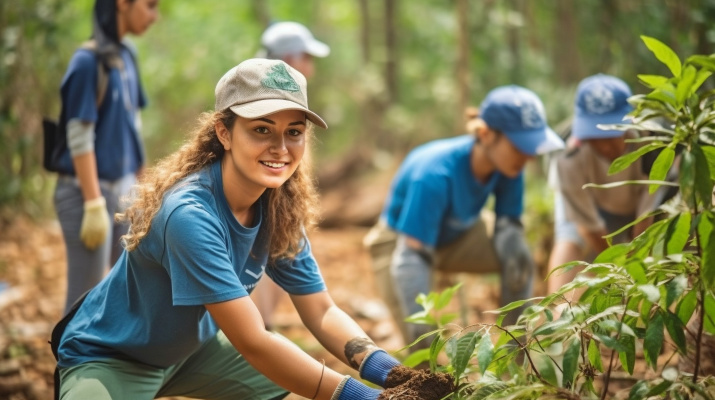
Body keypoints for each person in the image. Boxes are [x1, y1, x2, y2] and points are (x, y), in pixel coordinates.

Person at [54, 58, 413, 400]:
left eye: (294, 132)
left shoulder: (279, 208)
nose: (281, 148)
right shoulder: (188, 214)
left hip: (193, 352)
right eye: (261, 129)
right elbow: (254, 341)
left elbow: (321, 311)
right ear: (223, 133)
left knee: (288, 384)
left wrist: (393, 375)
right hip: (113, 356)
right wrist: (362, 395)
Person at [364, 85, 565, 344]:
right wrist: (424, 330)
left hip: (460, 232)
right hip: (401, 244)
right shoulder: (435, 173)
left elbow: (508, 225)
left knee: (519, 256)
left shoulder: (510, 166)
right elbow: (411, 257)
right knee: (421, 349)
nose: (528, 156)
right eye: (519, 146)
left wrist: (513, 249)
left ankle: (516, 357)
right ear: (485, 134)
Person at [53, 0, 159, 314]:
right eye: (150, 5)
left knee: (127, 285)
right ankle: (69, 362)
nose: (154, 16)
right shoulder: (87, 61)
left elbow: (132, 125)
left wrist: (144, 188)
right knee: (83, 297)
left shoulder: (127, 56)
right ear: (122, 4)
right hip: (87, 195)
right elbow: (80, 136)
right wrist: (93, 202)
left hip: (121, 192)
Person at [546, 74, 675, 298]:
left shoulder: (655, 142)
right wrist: (614, 269)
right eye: (596, 136)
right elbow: (587, 226)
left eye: (613, 134)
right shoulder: (566, 153)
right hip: (590, 203)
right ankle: (556, 315)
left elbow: (644, 222)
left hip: (638, 207)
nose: (605, 146)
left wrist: (630, 273)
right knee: (569, 238)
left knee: (653, 251)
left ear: (630, 123)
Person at [252, 20, 330, 330]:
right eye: (306, 57)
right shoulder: (263, 99)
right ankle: (260, 330)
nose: (310, 66)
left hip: (284, 197)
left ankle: (264, 329)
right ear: (288, 60)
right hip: (265, 199)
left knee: (282, 256)